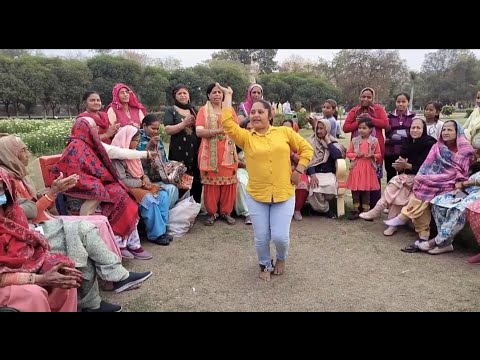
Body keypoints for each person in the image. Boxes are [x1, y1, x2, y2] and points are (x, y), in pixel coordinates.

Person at [0, 136, 153, 312]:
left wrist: (50, 195)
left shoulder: (18, 178)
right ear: (10, 155)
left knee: (90, 229)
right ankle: (107, 285)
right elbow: (30, 212)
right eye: (23, 150)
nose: (28, 154)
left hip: (39, 223)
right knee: (82, 234)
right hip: (36, 227)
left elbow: (30, 207)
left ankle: (108, 282)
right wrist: (52, 194)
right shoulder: (7, 179)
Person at [218, 83, 313, 282]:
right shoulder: (246, 138)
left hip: (284, 193)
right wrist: (228, 95)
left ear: (270, 115)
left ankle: (281, 258)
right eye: (252, 112)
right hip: (257, 195)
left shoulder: (284, 133)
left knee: (280, 237)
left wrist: (299, 170)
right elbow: (227, 124)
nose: (255, 115)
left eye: (261, 111)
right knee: (261, 237)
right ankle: (264, 263)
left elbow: (307, 149)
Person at [52, 117, 154, 260]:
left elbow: (106, 161)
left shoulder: (90, 144)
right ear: (86, 129)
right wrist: (97, 185)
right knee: (120, 197)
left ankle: (132, 244)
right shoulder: (75, 146)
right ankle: (121, 244)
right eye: (93, 128)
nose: (97, 131)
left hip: (100, 184)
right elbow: (74, 174)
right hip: (85, 190)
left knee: (126, 196)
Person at [385, 121, 475, 249]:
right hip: (437, 179)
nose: (445, 133)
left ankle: (405, 218)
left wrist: (438, 177)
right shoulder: (437, 147)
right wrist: (424, 176)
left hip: (455, 181)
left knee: (425, 190)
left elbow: (461, 171)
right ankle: (422, 234)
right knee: (422, 181)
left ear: (457, 132)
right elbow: (427, 166)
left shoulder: (465, 150)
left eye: (449, 130)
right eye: (444, 130)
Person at [0, 169, 80, 312]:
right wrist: (38, 279)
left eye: (1, 189)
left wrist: (51, 264)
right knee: (34, 294)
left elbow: (26, 247)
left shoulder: (10, 211)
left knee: (66, 275)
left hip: (19, 269)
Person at [359, 118, 437, 236]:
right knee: (398, 188)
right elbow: (402, 158)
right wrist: (400, 165)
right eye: (412, 128)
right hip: (408, 176)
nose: (415, 130)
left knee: (397, 183)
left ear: (424, 129)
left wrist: (407, 166)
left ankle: (380, 212)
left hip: (424, 178)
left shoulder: (430, 143)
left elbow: (427, 166)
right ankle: (391, 223)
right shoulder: (408, 142)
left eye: (418, 128)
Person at [112, 125, 172, 246]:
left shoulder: (134, 154)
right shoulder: (117, 157)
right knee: (149, 200)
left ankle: (161, 230)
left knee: (163, 195)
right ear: (127, 139)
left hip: (140, 185)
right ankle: (155, 235)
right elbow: (122, 180)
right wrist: (141, 182)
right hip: (127, 189)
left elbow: (141, 172)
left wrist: (145, 178)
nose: (138, 143)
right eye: (136, 140)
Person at [196, 83, 238, 226]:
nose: (217, 95)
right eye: (214, 92)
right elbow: (199, 132)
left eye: (220, 92)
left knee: (228, 184)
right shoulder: (203, 110)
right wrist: (217, 132)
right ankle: (212, 213)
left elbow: (236, 129)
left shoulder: (230, 110)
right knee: (211, 186)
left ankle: (226, 212)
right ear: (208, 95)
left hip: (228, 152)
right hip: (209, 154)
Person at [342, 87, 389, 209]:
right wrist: (358, 122)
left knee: (374, 178)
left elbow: (385, 124)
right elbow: (346, 128)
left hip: (373, 151)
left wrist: (369, 119)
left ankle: (373, 206)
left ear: (373, 98)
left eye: (369, 97)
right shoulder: (354, 110)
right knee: (358, 177)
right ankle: (358, 207)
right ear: (360, 97)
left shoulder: (378, 109)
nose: (366, 99)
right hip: (358, 153)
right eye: (363, 96)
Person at [421, 161, 480, 254]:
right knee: (438, 202)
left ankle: (438, 240)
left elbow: (468, 182)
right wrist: (459, 187)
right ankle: (446, 243)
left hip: (477, 196)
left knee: (459, 209)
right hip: (466, 192)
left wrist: (465, 183)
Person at [163, 85, 202, 203]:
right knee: (180, 178)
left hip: (194, 150)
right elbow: (168, 129)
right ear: (175, 96)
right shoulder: (171, 110)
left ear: (189, 95)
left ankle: (195, 206)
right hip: (178, 151)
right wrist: (183, 124)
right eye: (179, 93)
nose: (183, 95)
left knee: (196, 178)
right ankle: (179, 207)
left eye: (185, 93)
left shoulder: (194, 110)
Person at [304, 119, 345, 219]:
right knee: (315, 187)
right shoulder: (310, 142)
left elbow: (337, 156)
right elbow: (309, 160)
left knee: (331, 187)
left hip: (328, 173)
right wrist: (313, 175)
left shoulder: (333, 141)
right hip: (314, 173)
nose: (318, 131)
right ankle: (326, 210)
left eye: (321, 128)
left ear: (327, 129)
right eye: (317, 128)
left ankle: (317, 208)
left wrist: (328, 142)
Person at [137, 114, 179, 209]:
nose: (155, 131)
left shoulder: (158, 140)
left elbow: (164, 160)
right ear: (144, 126)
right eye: (153, 128)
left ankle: (165, 213)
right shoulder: (136, 138)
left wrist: (172, 170)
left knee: (177, 186)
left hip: (160, 178)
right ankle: (162, 215)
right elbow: (137, 161)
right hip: (145, 179)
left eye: (157, 129)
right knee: (170, 189)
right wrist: (149, 146)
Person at [345, 118, 382, 220]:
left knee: (366, 189)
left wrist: (372, 155)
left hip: (368, 168)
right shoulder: (354, 140)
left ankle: (366, 210)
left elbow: (379, 154)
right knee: (355, 189)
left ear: (370, 129)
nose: (361, 130)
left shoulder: (374, 141)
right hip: (356, 167)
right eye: (359, 128)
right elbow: (348, 153)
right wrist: (356, 154)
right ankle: (356, 209)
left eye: (364, 128)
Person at [384, 92, 416, 183]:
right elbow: (387, 134)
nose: (400, 104)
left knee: (405, 178)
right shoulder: (388, 117)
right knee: (391, 178)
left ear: (408, 102)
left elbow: (412, 134)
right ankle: (390, 197)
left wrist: (395, 135)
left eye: (403, 101)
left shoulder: (413, 117)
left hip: (406, 153)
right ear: (395, 102)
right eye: (398, 102)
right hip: (390, 153)